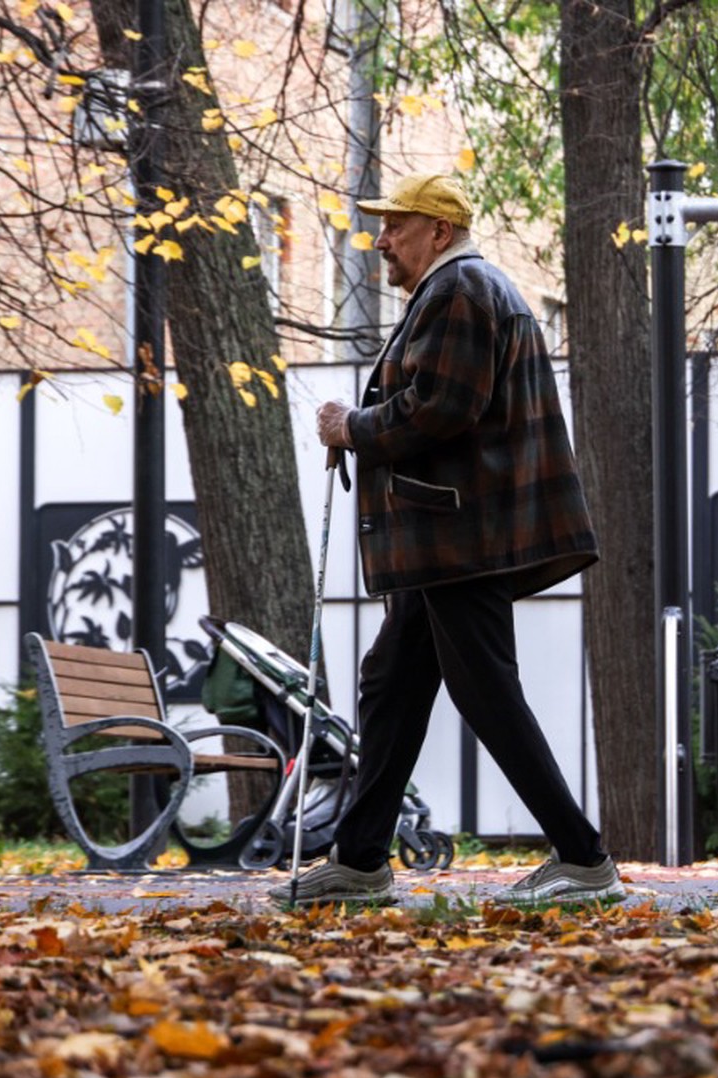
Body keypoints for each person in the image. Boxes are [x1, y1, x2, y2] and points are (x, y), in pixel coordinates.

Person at [273, 174, 615, 907]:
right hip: (451, 534)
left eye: (396, 225)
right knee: (390, 684)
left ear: (437, 230)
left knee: (486, 691)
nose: (382, 240)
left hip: (459, 534)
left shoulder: (459, 289)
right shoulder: (458, 290)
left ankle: (583, 858)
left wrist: (352, 428)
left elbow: (444, 407)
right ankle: (360, 861)